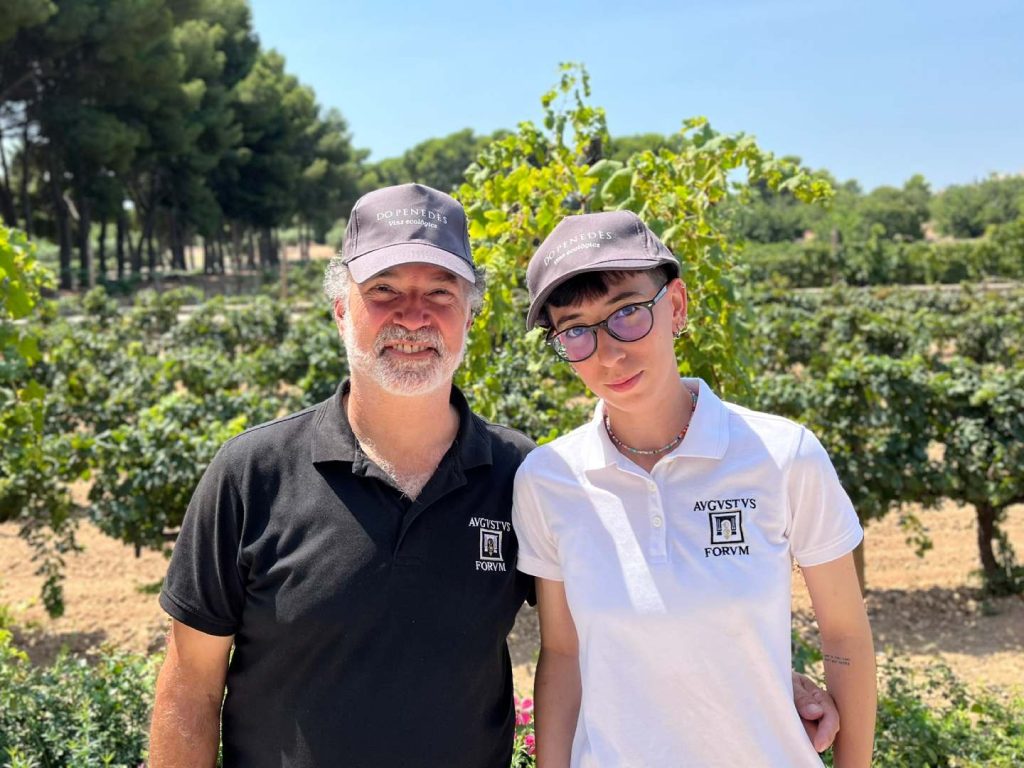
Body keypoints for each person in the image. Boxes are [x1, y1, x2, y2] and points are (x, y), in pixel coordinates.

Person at [148, 184, 842, 767]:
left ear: (471, 316)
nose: (413, 316)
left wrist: (773, 678)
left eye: (441, 292)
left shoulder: (526, 478)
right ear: (340, 310)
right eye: (384, 290)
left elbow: (629, 616)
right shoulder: (252, 474)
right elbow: (189, 686)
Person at [512, 210, 876, 767]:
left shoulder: (783, 456)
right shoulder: (548, 480)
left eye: (628, 313)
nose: (609, 353)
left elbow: (846, 637)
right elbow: (563, 654)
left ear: (676, 306)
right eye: (576, 332)